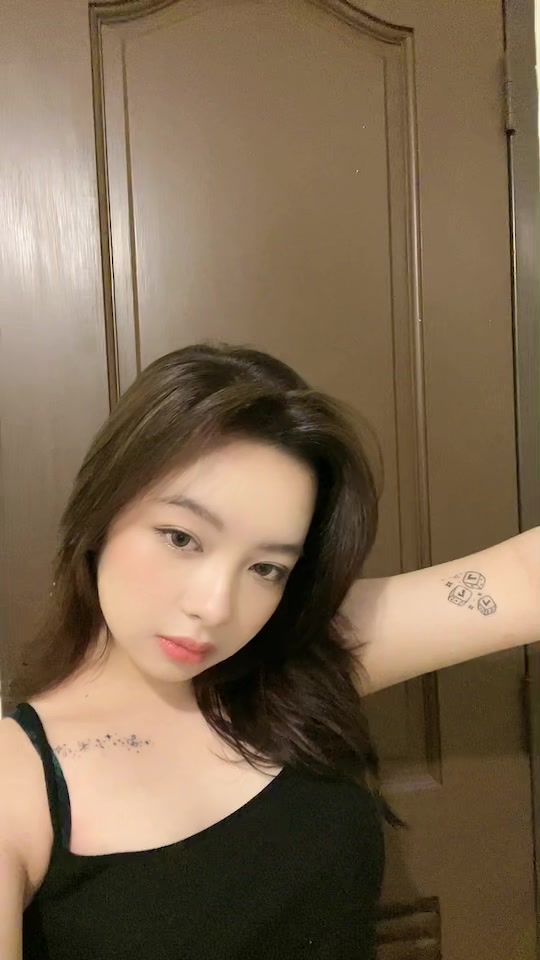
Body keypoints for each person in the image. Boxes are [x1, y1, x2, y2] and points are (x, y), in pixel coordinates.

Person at [0, 342, 538, 960]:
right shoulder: (17, 779)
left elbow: (524, 581)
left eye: (266, 568)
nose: (215, 607)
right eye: (181, 538)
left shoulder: (294, 652)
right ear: (102, 510)